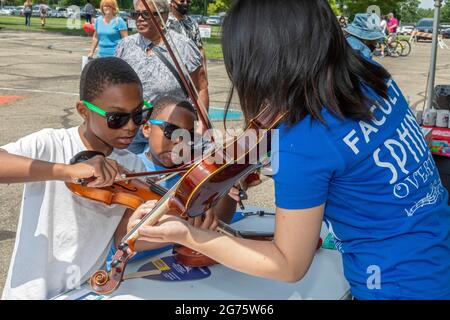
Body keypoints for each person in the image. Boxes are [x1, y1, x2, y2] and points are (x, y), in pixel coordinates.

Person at [130, 0, 450, 300]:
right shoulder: (365, 72)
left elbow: (287, 264)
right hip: (437, 245)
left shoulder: (303, 142)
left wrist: (187, 235)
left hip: (395, 283)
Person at [0, 57, 155, 299]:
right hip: (29, 293)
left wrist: (145, 223)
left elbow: (120, 236)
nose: (130, 127)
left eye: (138, 115)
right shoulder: (50, 143)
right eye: (117, 118)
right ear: (83, 110)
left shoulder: (132, 165)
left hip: (83, 291)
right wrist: (68, 171)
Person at [116, 0, 209, 154]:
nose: (139, 18)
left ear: (163, 16)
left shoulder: (184, 46)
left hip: (169, 132)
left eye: (145, 14)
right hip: (131, 131)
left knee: (165, 176)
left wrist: (201, 126)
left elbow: (201, 88)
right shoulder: (124, 46)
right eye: (136, 14)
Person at [167, 0, 208, 78]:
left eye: (188, 1)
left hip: (192, 73)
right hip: (172, 73)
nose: (185, 3)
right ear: (172, 2)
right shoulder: (164, 22)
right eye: (182, 1)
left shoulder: (192, 22)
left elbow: (200, 49)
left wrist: (204, 74)